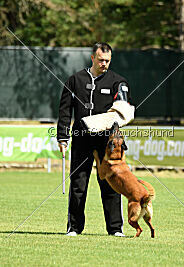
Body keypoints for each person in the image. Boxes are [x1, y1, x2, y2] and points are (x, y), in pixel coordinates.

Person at [57, 42, 131, 237]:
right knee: (78, 184)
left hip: (105, 142)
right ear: (92, 58)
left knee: (111, 184)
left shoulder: (117, 81)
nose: (104, 64)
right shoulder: (75, 80)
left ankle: (115, 229)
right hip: (81, 139)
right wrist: (62, 137)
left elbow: (123, 107)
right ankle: (74, 228)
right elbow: (65, 110)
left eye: (107, 61)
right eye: (100, 60)